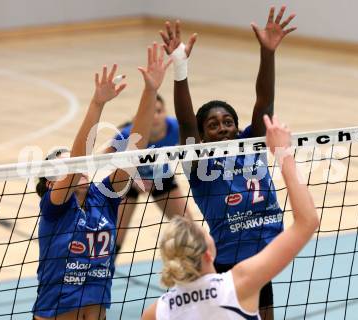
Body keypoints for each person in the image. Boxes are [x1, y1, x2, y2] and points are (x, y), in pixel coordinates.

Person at [159, 6, 296, 319]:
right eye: (213, 125)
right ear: (204, 136)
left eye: (228, 122)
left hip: (264, 254)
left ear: (238, 126)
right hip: (225, 261)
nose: (223, 128)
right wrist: (180, 67)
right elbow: (185, 123)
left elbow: (265, 101)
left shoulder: (252, 143)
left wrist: (268, 53)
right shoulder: (199, 163)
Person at [32, 44, 172, 320]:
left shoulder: (104, 198)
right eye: (62, 163)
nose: (71, 164)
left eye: (69, 160)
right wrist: (97, 104)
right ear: (50, 183)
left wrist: (150, 90)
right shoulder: (55, 207)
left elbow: (135, 147)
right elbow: (79, 160)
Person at [142, 115, 319, 320]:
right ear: (209, 254)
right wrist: (283, 153)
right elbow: (307, 221)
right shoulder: (240, 283)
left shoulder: (157, 312)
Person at [108, 94, 192, 257]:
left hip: (162, 178)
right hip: (128, 182)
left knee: (188, 227)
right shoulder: (126, 135)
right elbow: (105, 163)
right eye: (150, 112)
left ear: (165, 112)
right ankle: (103, 274)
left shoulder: (175, 128)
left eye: (159, 111)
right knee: (115, 237)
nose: (155, 116)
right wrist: (132, 181)